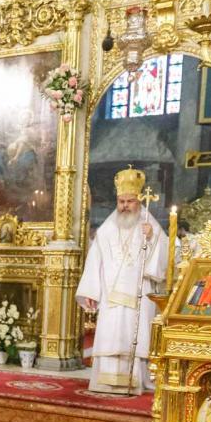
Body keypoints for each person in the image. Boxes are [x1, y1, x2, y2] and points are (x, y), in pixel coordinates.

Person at [75, 167, 166, 394]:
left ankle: (134, 382)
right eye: (121, 201)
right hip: (111, 299)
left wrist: (152, 239)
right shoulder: (106, 229)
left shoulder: (151, 226)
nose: (125, 205)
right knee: (110, 336)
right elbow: (95, 260)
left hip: (139, 295)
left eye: (130, 201)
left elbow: (166, 256)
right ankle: (104, 381)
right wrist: (91, 292)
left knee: (134, 337)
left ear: (139, 201)